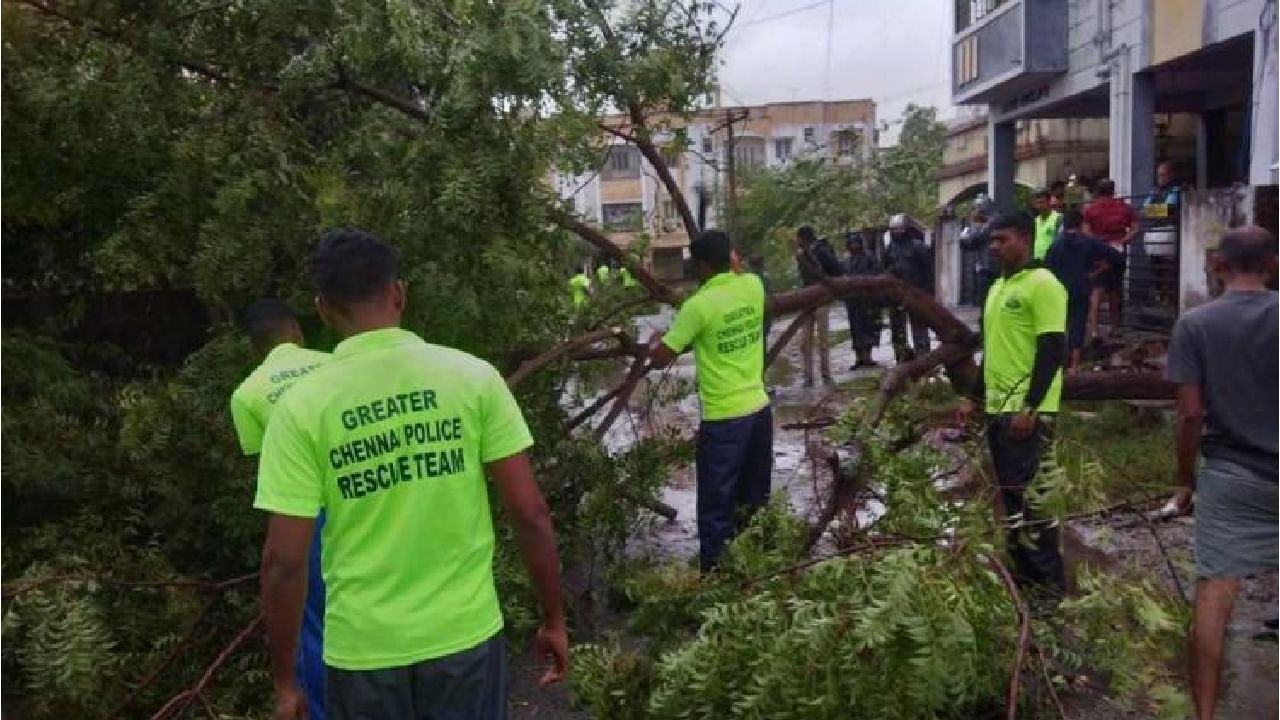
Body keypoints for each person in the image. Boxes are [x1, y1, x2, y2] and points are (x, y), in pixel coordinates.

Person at [255, 229, 568, 720]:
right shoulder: (472, 378)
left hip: (362, 655)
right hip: (464, 639)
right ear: (399, 293)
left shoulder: (302, 408)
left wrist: (287, 681)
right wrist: (554, 619)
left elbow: (284, 562)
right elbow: (529, 513)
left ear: (322, 308)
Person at [1165, 226, 1278, 720]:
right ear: (1272, 265)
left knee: (1215, 592)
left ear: (1218, 267)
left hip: (1231, 475)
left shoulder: (1195, 325)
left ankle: (1205, 715)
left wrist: (1184, 480)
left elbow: (1191, 414)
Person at [958, 211, 1068, 600]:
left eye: (1001, 240)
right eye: (991, 241)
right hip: (997, 408)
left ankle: (1050, 587)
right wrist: (973, 399)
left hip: (1027, 413)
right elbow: (993, 352)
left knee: (1033, 499)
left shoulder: (1043, 284)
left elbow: (1054, 349)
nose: (993, 247)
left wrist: (1031, 407)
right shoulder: (997, 288)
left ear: (1024, 238)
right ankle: (1024, 578)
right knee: (1012, 496)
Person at [230, 299, 330, 720]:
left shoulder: (247, 394)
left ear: (254, 348)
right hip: (366, 501)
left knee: (312, 619)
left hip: (304, 514)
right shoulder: (334, 365)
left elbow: (272, 472)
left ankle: (321, 709)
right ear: (298, 332)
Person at [649, 229, 772, 571]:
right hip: (760, 411)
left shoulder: (698, 306)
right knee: (755, 496)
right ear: (731, 257)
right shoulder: (753, 286)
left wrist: (658, 340)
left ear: (701, 266)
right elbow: (737, 268)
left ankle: (716, 576)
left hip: (724, 419)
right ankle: (757, 564)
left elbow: (662, 357)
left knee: (717, 504)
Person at [1044, 208, 1124, 372]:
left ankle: (1057, 363)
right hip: (1081, 289)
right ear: (1080, 224)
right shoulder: (1089, 242)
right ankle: (1074, 366)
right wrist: (1097, 271)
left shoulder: (1055, 246)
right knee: (1078, 325)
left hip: (1058, 291)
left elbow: (1047, 272)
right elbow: (1116, 257)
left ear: (1063, 224)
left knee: (1058, 325)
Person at [1082, 178, 1139, 340]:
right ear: (1113, 191)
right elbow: (1136, 228)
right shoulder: (1124, 208)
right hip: (1118, 251)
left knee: (1096, 289)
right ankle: (1115, 327)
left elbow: (1086, 232)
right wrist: (1122, 241)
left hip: (1098, 251)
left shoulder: (1091, 209)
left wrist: (1097, 245)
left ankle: (1094, 329)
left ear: (1098, 191)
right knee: (1115, 289)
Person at [794, 225, 843, 386]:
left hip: (821, 300)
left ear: (804, 238)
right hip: (807, 301)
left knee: (823, 340)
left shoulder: (821, 251)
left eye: (798, 238)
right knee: (804, 342)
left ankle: (826, 375)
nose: (797, 241)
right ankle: (808, 377)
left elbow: (836, 270)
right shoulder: (802, 254)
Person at [883, 214, 932, 362]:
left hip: (915, 292)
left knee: (919, 327)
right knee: (897, 328)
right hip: (896, 294)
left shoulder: (918, 246)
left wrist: (926, 292)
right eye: (894, 229)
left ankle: (924, 357)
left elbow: (927, 270)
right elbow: (885, 268)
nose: (897, 232)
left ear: (906, 229)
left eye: (900, 229)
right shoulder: (889, 248)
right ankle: (902, 356)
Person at [842, 231, 882, 369]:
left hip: (867, 298)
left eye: (856, 243)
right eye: (852, 244)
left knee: (868, 327)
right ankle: (859, 357)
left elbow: (877, 272)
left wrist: (862, 280)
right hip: (852, 300)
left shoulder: (869, 257)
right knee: (855, 328)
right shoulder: (847, 261)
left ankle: (868, 356)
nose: (854, 246)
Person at [959, 195, 998, 318]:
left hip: (989, 269)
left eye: (977, 208)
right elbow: (966, 244)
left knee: (987, 305)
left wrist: (971, 227)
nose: (975, 211)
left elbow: (970, 240)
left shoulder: (991, 223)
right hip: (985, 267)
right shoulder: (985, 223)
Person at [747, 254, 773, 372]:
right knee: (761, 351)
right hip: (764, 320)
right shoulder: (765, 279)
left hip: (752, 321)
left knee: (752, 354)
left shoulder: (748, 280)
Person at [1031, 189, 1062, 260]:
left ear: (1049, 202)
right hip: (1037, 261)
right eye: (1037, 203)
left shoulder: (1058, 219)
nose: (1039, 206)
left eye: (1042, 202)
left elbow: (1061, 243)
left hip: (1052, 261)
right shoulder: (1035, 221)